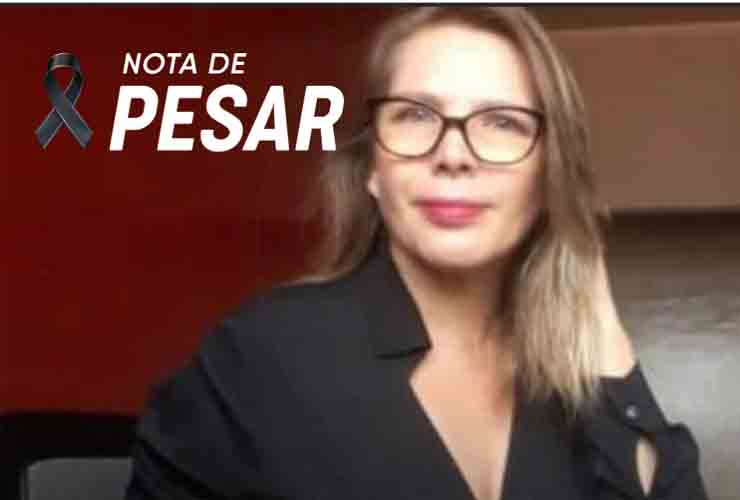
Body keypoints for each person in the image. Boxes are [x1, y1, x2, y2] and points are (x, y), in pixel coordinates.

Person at [125, 6, 708, 500]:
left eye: (501, 122)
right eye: (415, 115)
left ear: (547, 174)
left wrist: (602, 336)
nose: (453, 155)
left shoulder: (580, 382)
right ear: (372, 169)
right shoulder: (258, 357)